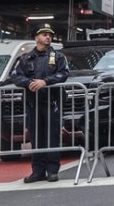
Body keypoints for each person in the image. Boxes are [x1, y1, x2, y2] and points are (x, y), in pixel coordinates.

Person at [10, 24, 70, 183]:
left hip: (51, 103)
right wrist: (28, 82)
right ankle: (37, 171)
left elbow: (64, 73)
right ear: (36, 38)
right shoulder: (25, 58)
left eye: (49, 34)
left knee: (52, 137)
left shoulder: (58, 57)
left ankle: (52, 170)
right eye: (44, 34)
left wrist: (45, 82)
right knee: (36, 138)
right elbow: (15, 75)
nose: (48, 37)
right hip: (33, 104)